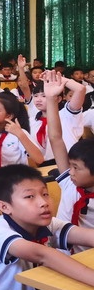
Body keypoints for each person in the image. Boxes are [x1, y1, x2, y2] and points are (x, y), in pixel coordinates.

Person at [0, 164, 94, 290]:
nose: (44, 202)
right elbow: (42, 255)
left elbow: (88, 236)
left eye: (45, 194)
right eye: (29, 196)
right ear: (4, 207)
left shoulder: (47, 223)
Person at [44, 70, 94, 253]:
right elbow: (56, 138)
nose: (70, 171)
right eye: (71, 166)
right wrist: (51, 99)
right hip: (62, 257)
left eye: (76, 168)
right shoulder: (70, 184)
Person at [0, 92, 43, 171]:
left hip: (16, 176)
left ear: (9, 116)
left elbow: (39, 159)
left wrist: (20, 135)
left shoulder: (19, 133)